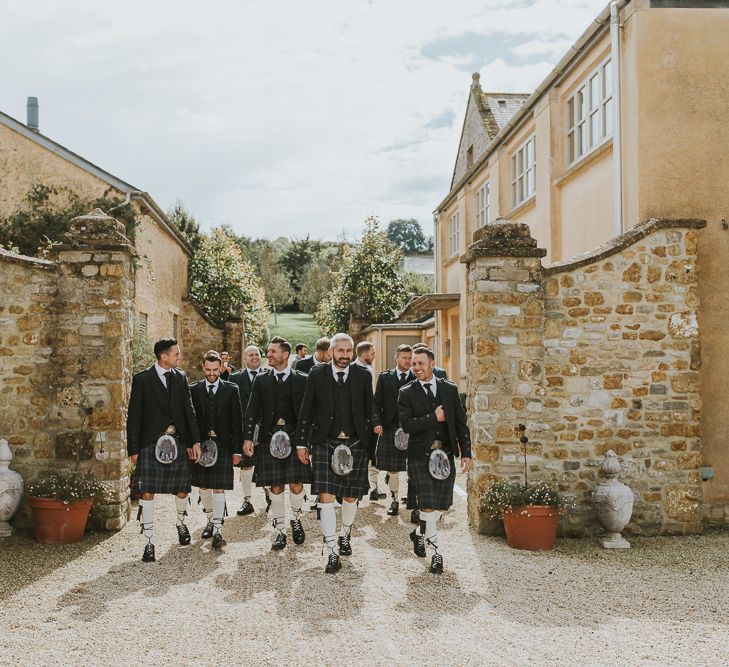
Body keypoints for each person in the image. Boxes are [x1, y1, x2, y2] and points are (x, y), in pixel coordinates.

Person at [296, 333, 374, 574]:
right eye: (340, 351)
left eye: (348, 351)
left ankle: (345, 533)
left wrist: (371, 444)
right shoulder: (317, 374)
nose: (344, 355)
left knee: (351, 497)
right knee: (326, 496)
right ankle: (331, 550)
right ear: (331, 352)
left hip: (355, 443)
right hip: (324, 442)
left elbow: (369, 411)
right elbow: (306, 409)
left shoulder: (363, 375)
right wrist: (301, 443)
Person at [127, 338, 201, 563]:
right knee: (148, 492)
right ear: (163, 356)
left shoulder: (180, 377)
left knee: (182, 490)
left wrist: (194, 441)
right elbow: (134, 416)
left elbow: (189, 410)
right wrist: (133, 449)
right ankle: (149, 542)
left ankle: (181, 523)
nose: (180, 357)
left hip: (177, 441)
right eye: (176, 353)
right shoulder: (142, 380)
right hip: (150, 443)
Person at [398, 347, 471, 574]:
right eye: (413, 364)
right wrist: (434, 418)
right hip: (420, 455)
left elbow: (460, 423)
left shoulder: (449, 389)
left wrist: (466, 453)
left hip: (445, 456)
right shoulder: (406, 392)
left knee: (442, 505)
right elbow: (407, 425)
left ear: (432, 363)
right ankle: (437, 553)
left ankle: (419, 533)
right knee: (427, 505)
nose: (416, 367)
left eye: (420, 363)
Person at [243, 337, 309, 550]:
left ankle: (296, 520)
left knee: (297, 485)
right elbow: (251, 411)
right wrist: (247, 438)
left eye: (272, 351)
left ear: (285, 355)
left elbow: (309, 413)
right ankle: (280, 530)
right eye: (268, 351)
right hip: (269, 438)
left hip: (295, 439)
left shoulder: (302, 380)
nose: (268, 355)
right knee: (276, 486)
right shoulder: (261, 379)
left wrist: (306, 442)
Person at [190, 351, 243, 549]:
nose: (212, 374)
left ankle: (218, 531)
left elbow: (238, 422)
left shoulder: (231, 389)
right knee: (203, 486)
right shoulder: (193, 390)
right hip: (201, 445)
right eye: (208, 370)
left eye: (215, 370)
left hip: (223, 445)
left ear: (221, 367)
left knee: (219, 487)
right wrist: (192, 444)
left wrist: (237, 450)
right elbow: (191, 421)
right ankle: (210, 520)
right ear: (203, 368)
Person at [373, 344, 414, 516]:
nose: (408, 361)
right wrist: (377, 422)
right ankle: (395, 500)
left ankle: (415, 504)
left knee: (414, 467)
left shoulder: (417, 376)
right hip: (390, 427)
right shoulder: (384, 377)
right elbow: (377, 403)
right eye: (404, 357)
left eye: (410, 358)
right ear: (396, 357)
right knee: (393, 469)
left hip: (412, 428)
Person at [229, 345, 263, 515]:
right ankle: (247, 500)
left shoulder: (269, 375)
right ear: (244, 358)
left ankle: (271, 495)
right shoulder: (234, 377)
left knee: (266, 463)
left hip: (266, 428)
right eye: (251, 355)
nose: (254, 357)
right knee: (247, 465)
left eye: (257, 354)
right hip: (243, 428)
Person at [353, 341, 385, 501]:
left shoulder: (369, 370)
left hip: (368, 419)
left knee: (372, 456)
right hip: (360, 422)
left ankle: (374, 489)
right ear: (364, 354)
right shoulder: (356, 370)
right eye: (372, 354)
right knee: (362, 456)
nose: (374, 356)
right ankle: (360, 489)